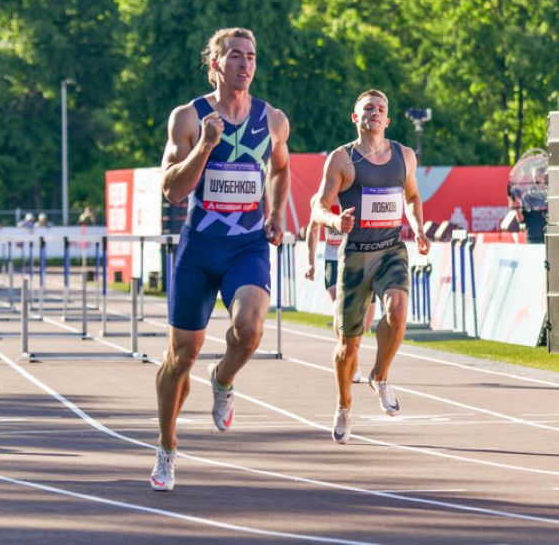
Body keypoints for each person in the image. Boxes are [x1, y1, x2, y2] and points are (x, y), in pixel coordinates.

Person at [150, 27, 290, 491]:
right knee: (180, 357)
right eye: (234, 56)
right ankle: (167, 448)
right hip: (200, 247)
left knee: (250, 330)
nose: (244, 64)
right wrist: (207, 146)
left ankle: (224, 378)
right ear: (216, 64)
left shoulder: (272, 120)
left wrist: (275, 212)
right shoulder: (188, 118)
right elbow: (172, 191)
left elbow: (282, 169)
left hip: (247, 245)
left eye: (251, 56)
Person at [311, 89, 429, 446]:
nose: (374, 113)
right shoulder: (342, 160)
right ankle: (344, 405)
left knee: (398, 312)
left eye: (380, 109)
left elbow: (412, 197)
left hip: (392, 249)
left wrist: (420, 228)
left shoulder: (403, 155)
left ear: (387, 119)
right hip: (356, 255)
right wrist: (334, 223)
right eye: (367, 108)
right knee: (348, 345)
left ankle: (380, 375)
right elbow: (318, 206)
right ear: (355, 117)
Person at [305, 192, 376, 383]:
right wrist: (311, 263)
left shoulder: (360, 194)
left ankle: (351, 351)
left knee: (365, 322)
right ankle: (349, 359)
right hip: (333, 258)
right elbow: (312, 229)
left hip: (361, 258)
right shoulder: (320, 200)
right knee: (340, 306)